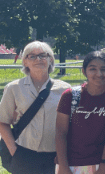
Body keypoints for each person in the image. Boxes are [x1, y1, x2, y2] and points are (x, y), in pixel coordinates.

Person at [0, 41, 71, 174]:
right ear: (25, 62)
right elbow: (3, 121)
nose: (38, 59)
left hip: (55, 156)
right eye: (31, 56)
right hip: (24, 154)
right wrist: (14, 150)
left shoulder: (66, 89)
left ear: (50, 59)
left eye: (43, 55)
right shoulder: (13, 88)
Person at [55, 52, 105, 174]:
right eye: (92, 69)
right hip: (71, 164)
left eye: (104, 69)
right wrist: (63, 166)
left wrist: (104, 164)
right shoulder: (70, 96)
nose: (99, 74)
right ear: (84, 71)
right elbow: (60, 132)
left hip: (102, 164)